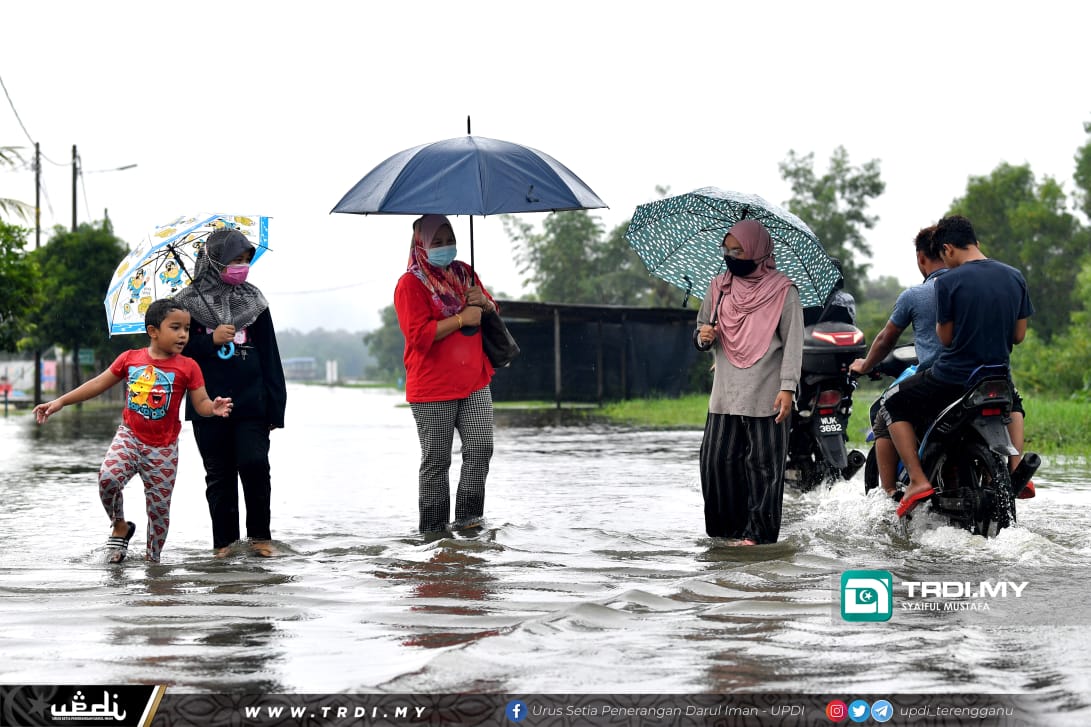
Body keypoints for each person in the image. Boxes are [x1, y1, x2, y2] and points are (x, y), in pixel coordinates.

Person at [33, 299, 232, 562]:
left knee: (159, 512)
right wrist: (60, 402)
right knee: (108, 479)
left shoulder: (188, 367)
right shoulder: (130, 359)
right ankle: (120, 526)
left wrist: (213, 408)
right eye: (175, 328)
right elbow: (97, 384)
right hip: (130, 437)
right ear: (153, 331)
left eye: (186, 328)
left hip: (163, 449)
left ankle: (153, 565)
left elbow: (201, 403)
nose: (183, 334)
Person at [884, 215, 1033, 518]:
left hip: (952, 379)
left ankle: (917, 481)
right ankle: (1015, 469)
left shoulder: (948, 282)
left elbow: (946, 337)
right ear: (976, 242)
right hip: (997, 377)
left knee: (893, 402)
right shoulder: (1014, 276)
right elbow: (1019, 336)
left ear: (948, 249)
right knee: (1014, 402)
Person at [175, 228, 287, 557]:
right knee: (219, 475)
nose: (241, 266)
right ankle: (224, 546)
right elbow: (177, 350)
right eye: (234, 260)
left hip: (252, 402)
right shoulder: (185, 305)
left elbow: (270, 356)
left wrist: (276, 409)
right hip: (206, 402)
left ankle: (260, 538)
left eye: (245, 260)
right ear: (213, 261)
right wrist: (209, 340)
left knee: (255, 465)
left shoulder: (255, 302)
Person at [694, 219, 804, 545]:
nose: (730, 256)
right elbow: (702, 329)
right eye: (726, 250)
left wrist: (788, 387)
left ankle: (758, 536)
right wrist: (703, 337)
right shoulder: (718, 287)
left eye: (738, 250)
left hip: (768, 388)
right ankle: (726, 533)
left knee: (765, 465)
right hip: (726, 390)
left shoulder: (783, 291)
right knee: (717, 461)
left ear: (758, 251)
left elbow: (793, 342)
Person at [394, 214, 497, 534]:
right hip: (432, 387)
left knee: (481, 450)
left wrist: (484, 303)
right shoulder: (410, 284)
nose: (444, 247)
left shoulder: (465, 273)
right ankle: (434, 535)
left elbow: (490, 311)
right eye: (436, 242)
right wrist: (462, 319)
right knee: (438, 462)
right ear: (421, 245)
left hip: (474, 379)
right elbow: (418, 335)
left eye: (449, 240)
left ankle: (469, 525)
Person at [850, 226, 946, 497]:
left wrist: (865, 365)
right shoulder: (971, 288)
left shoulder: (916, 295)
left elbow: (885, 339)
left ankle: (891, 492)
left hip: (941, 378)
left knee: (887, 410)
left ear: (921, 258)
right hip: (984, 375)